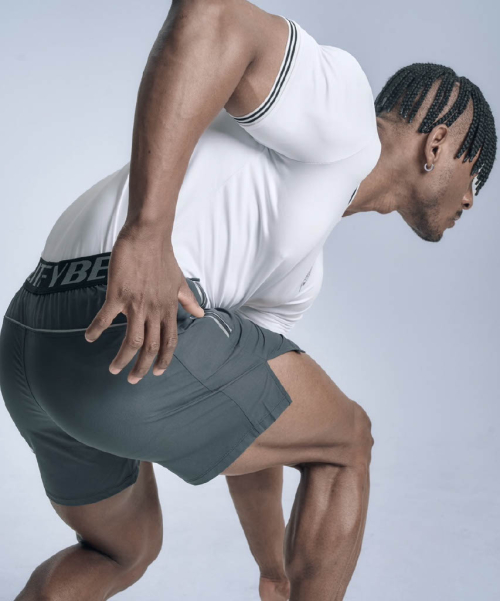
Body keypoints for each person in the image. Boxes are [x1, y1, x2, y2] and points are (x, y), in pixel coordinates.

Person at [0, 0, 496, 599]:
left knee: (123, 549)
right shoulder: (343, 109)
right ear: (436, 143)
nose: (472, 200)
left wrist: (273, 569)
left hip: (31, 341)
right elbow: (210, 13)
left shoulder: (297, 275)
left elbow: (253, 428)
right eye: (477, 174)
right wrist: (149, 233)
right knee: (348, 440)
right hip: (116, 311)